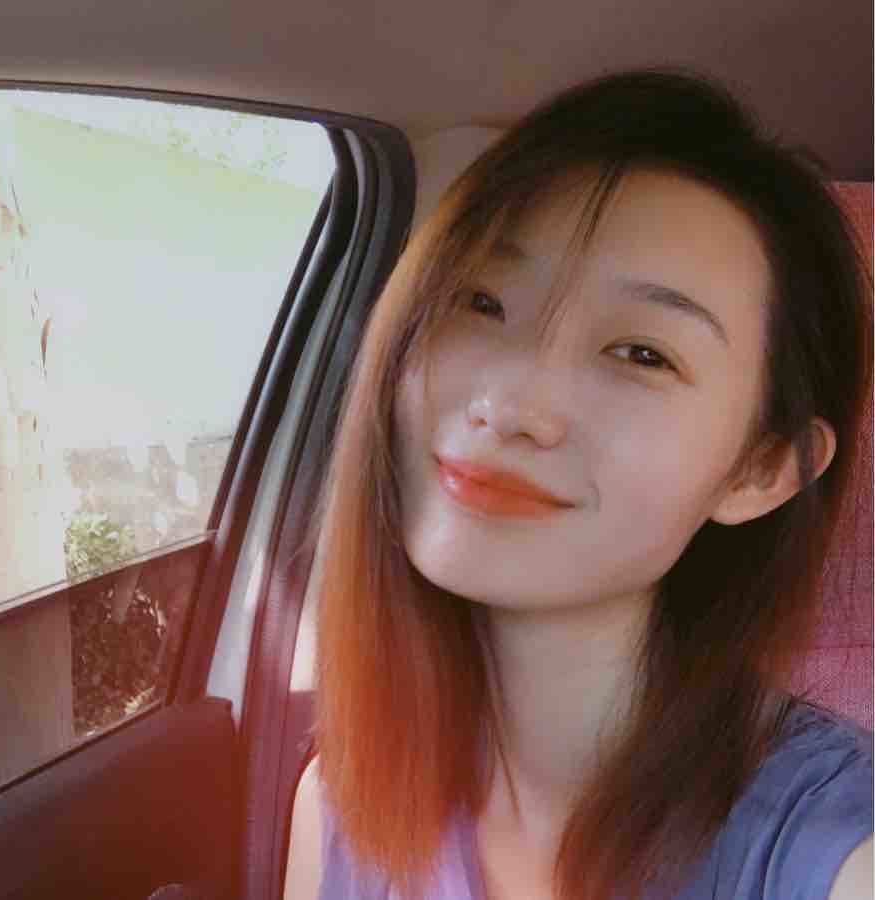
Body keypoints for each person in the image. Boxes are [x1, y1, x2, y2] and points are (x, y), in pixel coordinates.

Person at [284, 68, 874, 900]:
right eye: (479, 300)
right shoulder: (340, 805)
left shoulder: (836, 855)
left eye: (642, 353)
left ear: (761, 468)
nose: (509, 405)